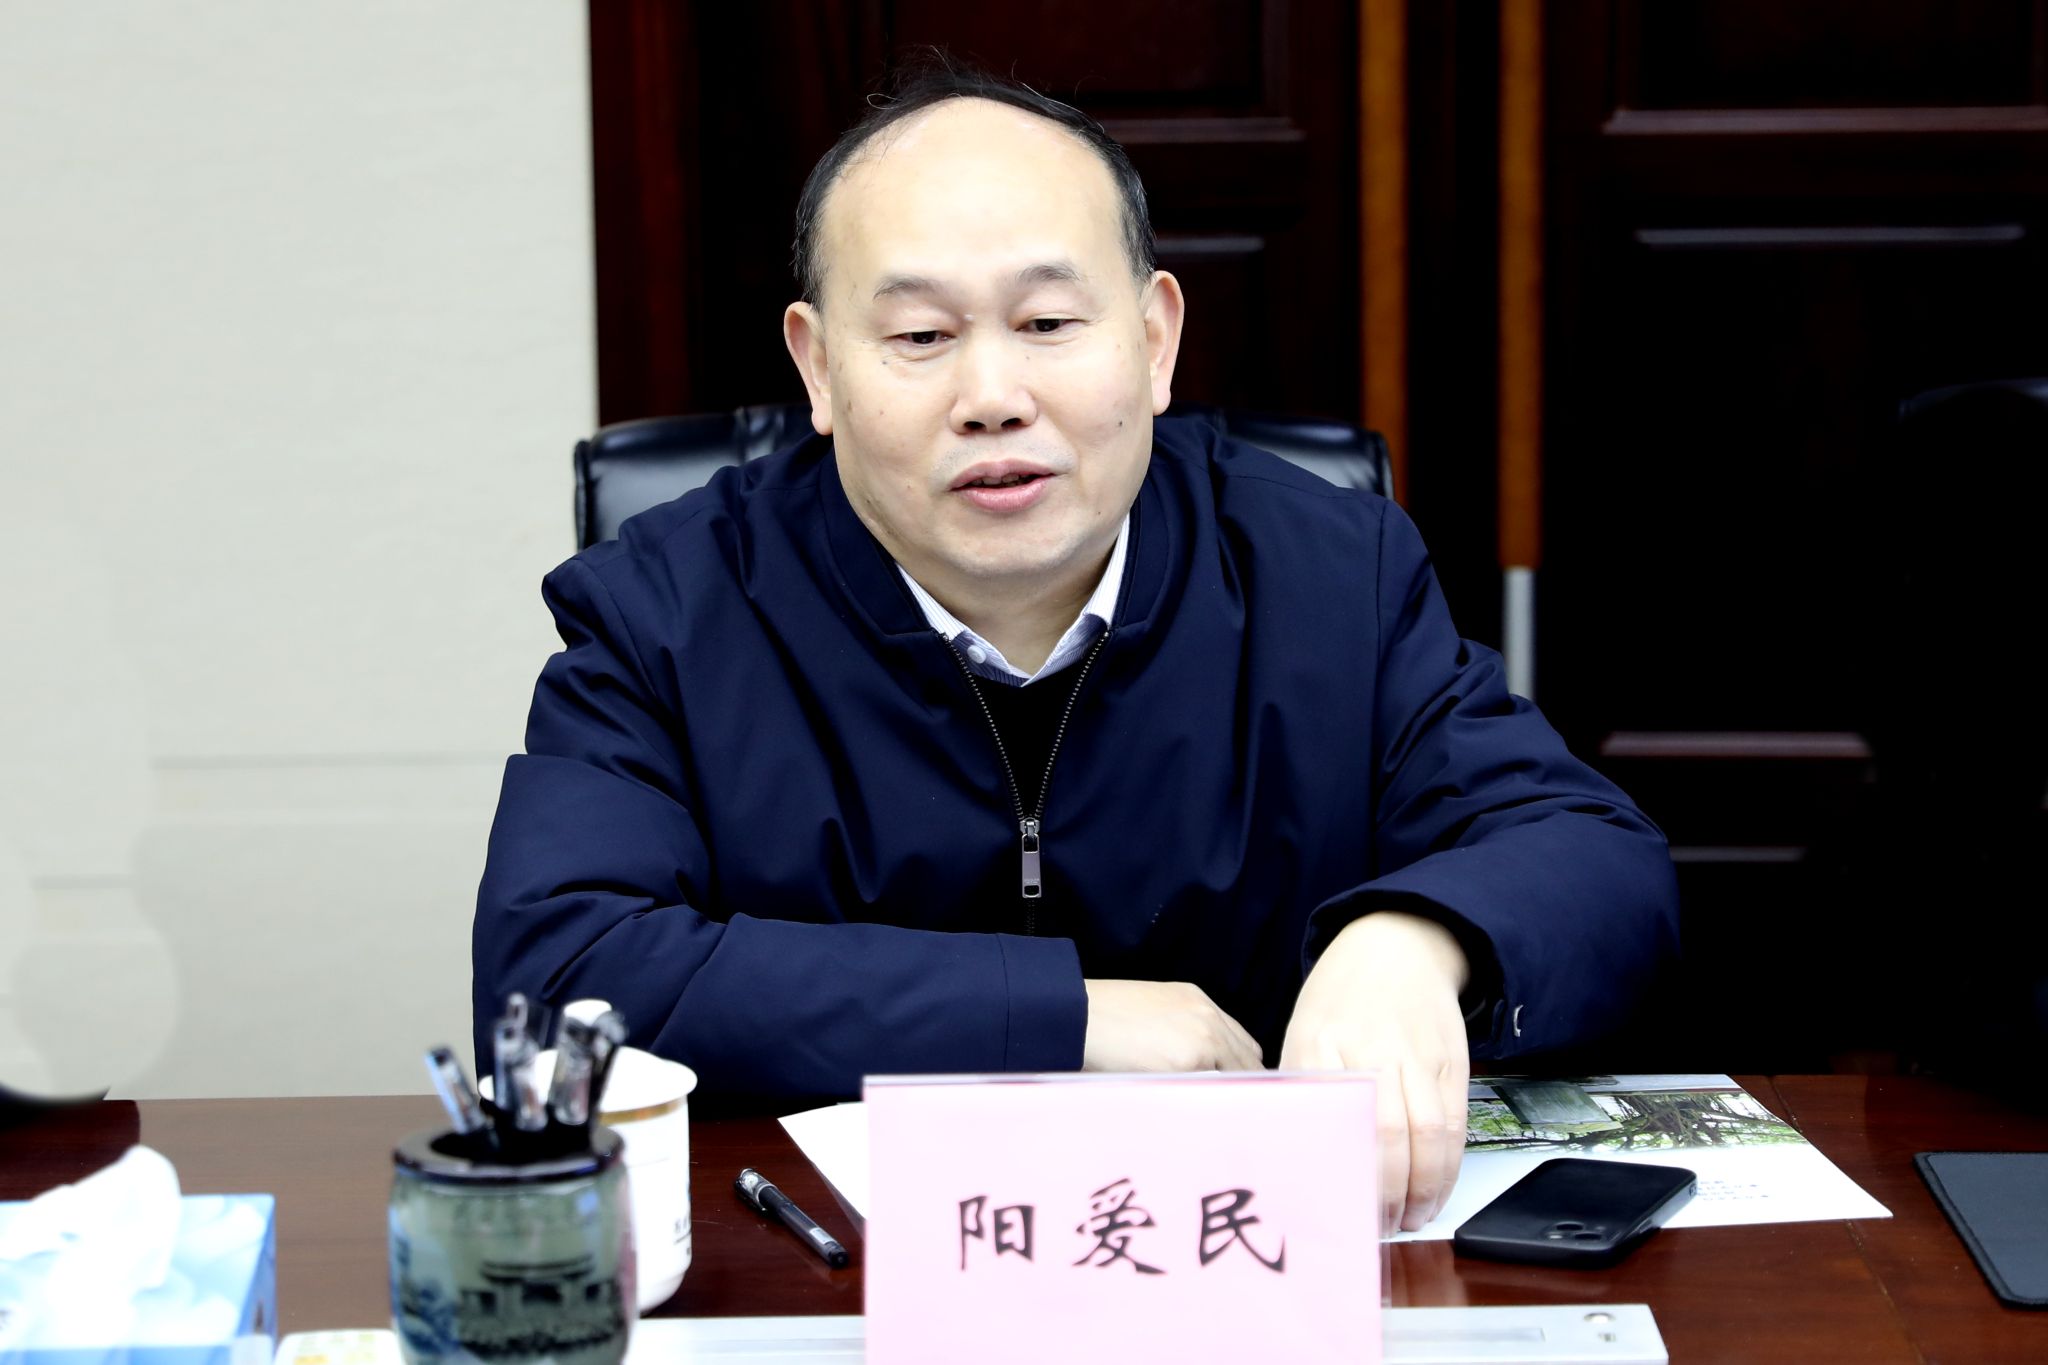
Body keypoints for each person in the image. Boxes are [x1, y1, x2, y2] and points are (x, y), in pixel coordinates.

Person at [473, 62, 1679, 1234]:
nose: (991, 396)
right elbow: (556, 977)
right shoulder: (668, 609)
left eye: (1047, 322)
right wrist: (1063, 1017)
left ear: (1153, 342)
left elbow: (1597, 860)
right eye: (919, 335)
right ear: (819, 366)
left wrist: (1415, 942)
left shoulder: (1328, 574)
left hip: (1258, 1270)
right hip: (834, 1279)